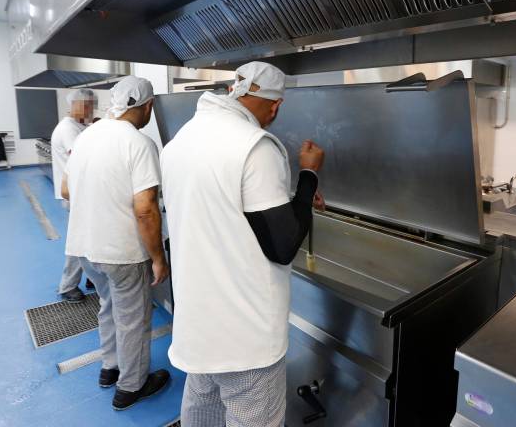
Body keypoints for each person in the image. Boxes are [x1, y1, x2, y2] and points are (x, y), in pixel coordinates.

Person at [161, 61, 325, 426]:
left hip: (197, 323)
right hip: (244, 337)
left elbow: (225, 210)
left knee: (201, 414)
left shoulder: (182, 140)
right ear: (275, 105)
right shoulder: (255, 147)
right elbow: (283, 246)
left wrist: (291, 198)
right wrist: (309, 176)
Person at [61, 76, 170, 410]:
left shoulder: (87, 135)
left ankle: (110, 368)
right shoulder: (138, 143)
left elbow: (66, 190)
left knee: (108, 308)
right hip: (121, 252)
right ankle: (132, 386)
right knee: (133, 318)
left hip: (84, 247)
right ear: (147, 106)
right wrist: (157, 257)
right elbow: (146, 210)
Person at [51, 89, 96, 303]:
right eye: (88, 106)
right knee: (78, 241)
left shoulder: (78, 126)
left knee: (89, 237)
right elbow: (80, 157)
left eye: (92, 106)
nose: (91, 110)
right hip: (74, 194)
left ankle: (92, 278)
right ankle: (67, 286)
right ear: (76, 105)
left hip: (81, 192)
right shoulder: (68, 129)